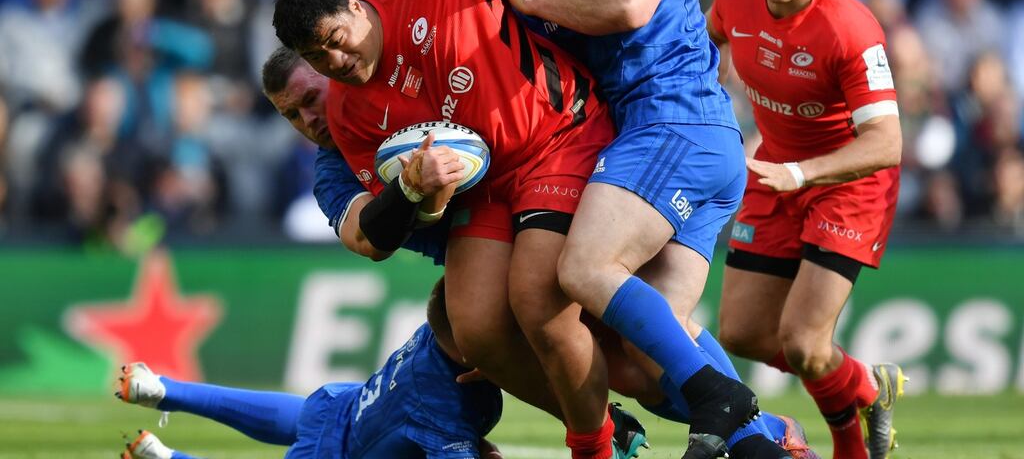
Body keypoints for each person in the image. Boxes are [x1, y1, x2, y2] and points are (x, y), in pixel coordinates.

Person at [261, 47, 819, 459]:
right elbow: (364, 237)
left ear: (334, 73)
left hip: (573, 184)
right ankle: (758, 430)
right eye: (291, 114)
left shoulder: (405, 92)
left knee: (641, 344)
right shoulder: (333, 171)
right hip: (503, 240)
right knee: (621, 367)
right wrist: (409, 190)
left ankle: (752, 436)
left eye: (312, 98)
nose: (309, 119)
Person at [271, 0, 666, 459]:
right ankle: (613, 429)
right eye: (319, 56)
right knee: (474, 328)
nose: (336, 62)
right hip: (486, 187)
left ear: (357, 8)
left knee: (543, 309)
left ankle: (626, 442)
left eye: (336, 41)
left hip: (556, 139)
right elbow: (387, 229)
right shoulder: (346, 118)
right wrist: (418, 191)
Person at [431, 0, 784, 458]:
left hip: (669, 126)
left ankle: (722, 402)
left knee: (587, 268)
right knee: (651, 352)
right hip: (691, 144)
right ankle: (765, 444)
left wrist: (536, 3)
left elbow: (628, 4)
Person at [704, 0, 904, 459]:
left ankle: (849, 447)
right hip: (775, 168)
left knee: (804, 343)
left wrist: (802, 173)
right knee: (740, 333)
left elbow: (886, 143)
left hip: (848, 181)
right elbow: (701, 46)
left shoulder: (850, 29)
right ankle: (866, 385)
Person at [115, 278, 506, 459]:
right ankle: (168, 458)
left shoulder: (430, 335)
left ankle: (162, 388)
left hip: (341, 409)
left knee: (306, 417)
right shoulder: (444, 418)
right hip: (339, 454)